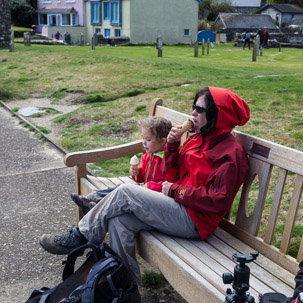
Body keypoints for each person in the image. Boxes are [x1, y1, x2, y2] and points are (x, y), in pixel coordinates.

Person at [39, 87, 250, 300]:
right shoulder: (198, 139)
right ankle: (126, 291)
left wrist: (176, 190)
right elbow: (173, 175)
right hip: (175, 206)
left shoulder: (230, 154)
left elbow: (218, 201)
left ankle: (81, 236)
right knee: (119, 222)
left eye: (199, 109)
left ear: (217, 115)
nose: (193, 113)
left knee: (126, 192)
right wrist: (173, 146)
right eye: (193, 107)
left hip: (195, 220)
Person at [70, 116, 173, 212]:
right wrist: (136, 173)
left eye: (148, 139)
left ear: (162, 141)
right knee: (121, 187)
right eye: (143, 138)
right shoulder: (149, 154)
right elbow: (142, 177)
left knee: (124, 190)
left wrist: (148, 186)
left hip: (157, 197)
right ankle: (91, 199)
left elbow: (170, 184)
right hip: (145, 189)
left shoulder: (169, 160)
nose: (144, 142)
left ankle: (98, 206)